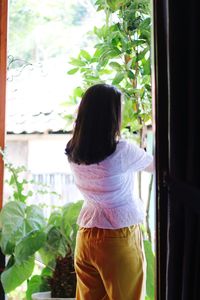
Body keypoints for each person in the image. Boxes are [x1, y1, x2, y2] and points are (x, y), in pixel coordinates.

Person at [65, 83, 154, 300]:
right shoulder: (122, 152)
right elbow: (156, 166)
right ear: (112, 116)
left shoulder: (73, 149)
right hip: (118, 237)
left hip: (86, 236)